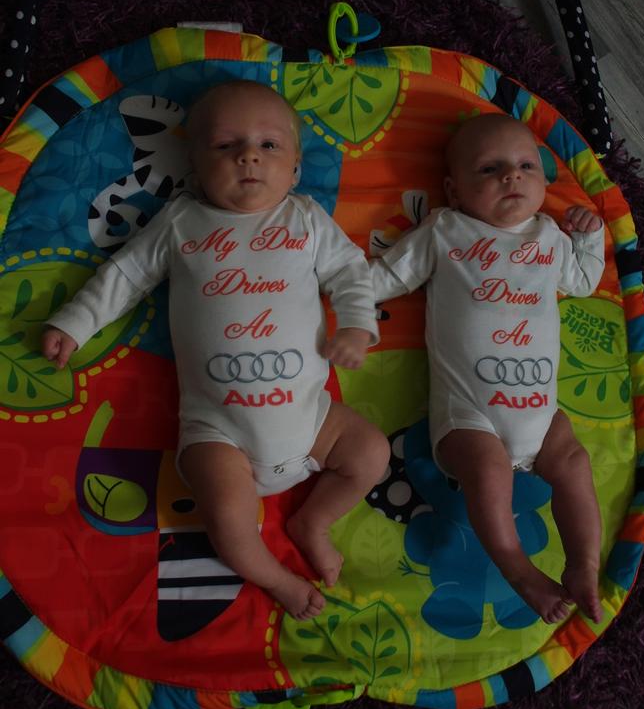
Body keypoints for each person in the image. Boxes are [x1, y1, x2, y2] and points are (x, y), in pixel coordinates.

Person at [42, 80, 389, 621]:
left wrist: (358, 326)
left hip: (313, 420)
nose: (248, 156)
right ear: (195, 167)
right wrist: (75, 322)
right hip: (219, 432)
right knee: (228, 516)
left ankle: (314, 522)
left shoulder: (305, 220)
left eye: (269, 145)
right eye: (226, 145)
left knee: (372, 453)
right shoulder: (181, 222)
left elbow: (351, 273)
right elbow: (125, 277)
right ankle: (275, 577)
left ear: (295, 168)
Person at [371, 112, 605, 624]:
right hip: (469, 415)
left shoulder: (548, 237)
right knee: (489, 469)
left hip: (540, 412)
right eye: (490, 169)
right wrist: (339, 286)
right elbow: (388, 276)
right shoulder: (446, 230)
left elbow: (584, 280)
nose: (511, 175)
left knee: (573, 462)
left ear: (542, 181)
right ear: (454, 191)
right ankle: (518, 569)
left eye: (526, 166)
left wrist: (588, 238)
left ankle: (584, 564)